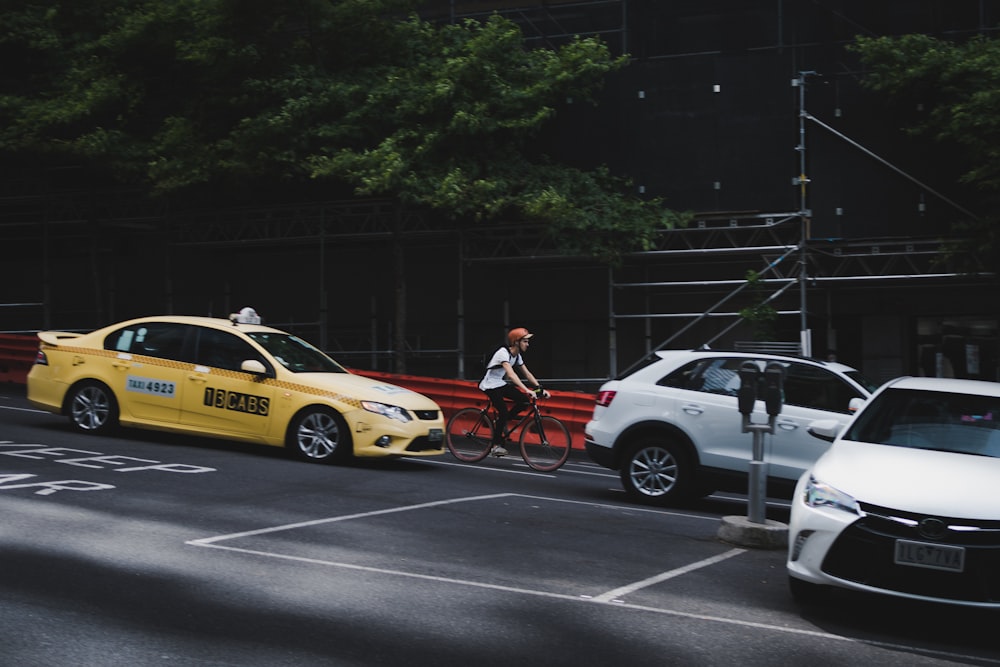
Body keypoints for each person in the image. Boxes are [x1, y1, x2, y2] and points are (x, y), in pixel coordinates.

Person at [478, 327, 551, 456]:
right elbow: (511, 375)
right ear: (516, 342)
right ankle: (496, 446)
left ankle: (501, 421)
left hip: (499, 383)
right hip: (489, 385)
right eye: (525, 341)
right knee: (504, 411)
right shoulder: (503, 353)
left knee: (524, 401)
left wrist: (540, 388)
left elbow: (527, 373)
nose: (527, 345)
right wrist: (527, 390)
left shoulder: (517, 356)